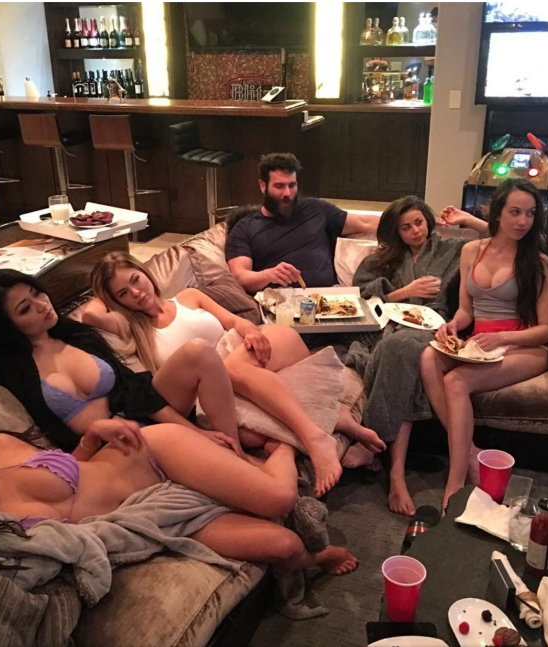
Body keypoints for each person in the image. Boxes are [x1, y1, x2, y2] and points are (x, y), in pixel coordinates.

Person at [83, 251, 386, 497]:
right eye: (123, 293)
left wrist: (250, 331)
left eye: (136, 279)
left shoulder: (189, 296)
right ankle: (335, 420)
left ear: (146, 274)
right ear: (116, 302)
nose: (136, 293)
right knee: (249, 427)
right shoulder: (129, 327)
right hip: (216, 391)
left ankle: (317, 437)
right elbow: (89, 314)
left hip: (245, 352)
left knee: (241, 363)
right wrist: (105, 288)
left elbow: (234, 322)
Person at [0, 425, 359, 579]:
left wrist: (90, 438)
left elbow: (74, 470)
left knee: (279, 498)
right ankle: (313, 559)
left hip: (152, 455)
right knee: (284, 546)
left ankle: (281, 448)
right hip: (152, 512)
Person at [0, 270, 252, 458]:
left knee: (199, 352)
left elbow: (132, 387)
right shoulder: (2, 364)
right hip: (106, 451)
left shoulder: (73, 333)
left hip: (143, 416)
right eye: (25, 308)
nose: (42, 305)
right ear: (6, 324)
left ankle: (233, 449)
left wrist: (193, 431)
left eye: (37, 293)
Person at [344, 195, 488, 516]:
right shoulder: (382, 259)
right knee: (399, 352)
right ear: (396, 232)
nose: (415, 231)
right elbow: (362, 298)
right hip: (389, 326)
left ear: (428, 220)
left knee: (399, 349)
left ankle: (377, 449)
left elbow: (501, 237)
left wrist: (468, 220)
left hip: (434, 327)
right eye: (406, 227)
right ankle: (397, 471)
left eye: (419, 222)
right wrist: (406, 292)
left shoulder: (453, 249)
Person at [419, 179, 548, 510]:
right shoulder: (471, 251)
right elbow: (467, 310)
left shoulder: (538, 261)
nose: (523, 221)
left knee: (456, 381)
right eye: (515, 212)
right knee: (428, 358)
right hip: (481, 343)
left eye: (530, 214)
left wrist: (503, 337)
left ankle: (455, 482)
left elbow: (546, 330)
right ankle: (470, 455)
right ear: (497, 213)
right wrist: (453, 324)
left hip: (524, 346)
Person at [225, 153, 379, 293]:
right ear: (263, 186)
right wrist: (268, 275)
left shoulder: (315, 208)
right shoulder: (244, 229)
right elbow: (240, 277)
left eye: (292, 185)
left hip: (330, 298)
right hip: (280, 302)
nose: (287, 193)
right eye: (279, 186)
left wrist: (394, 219)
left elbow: (364, 223)